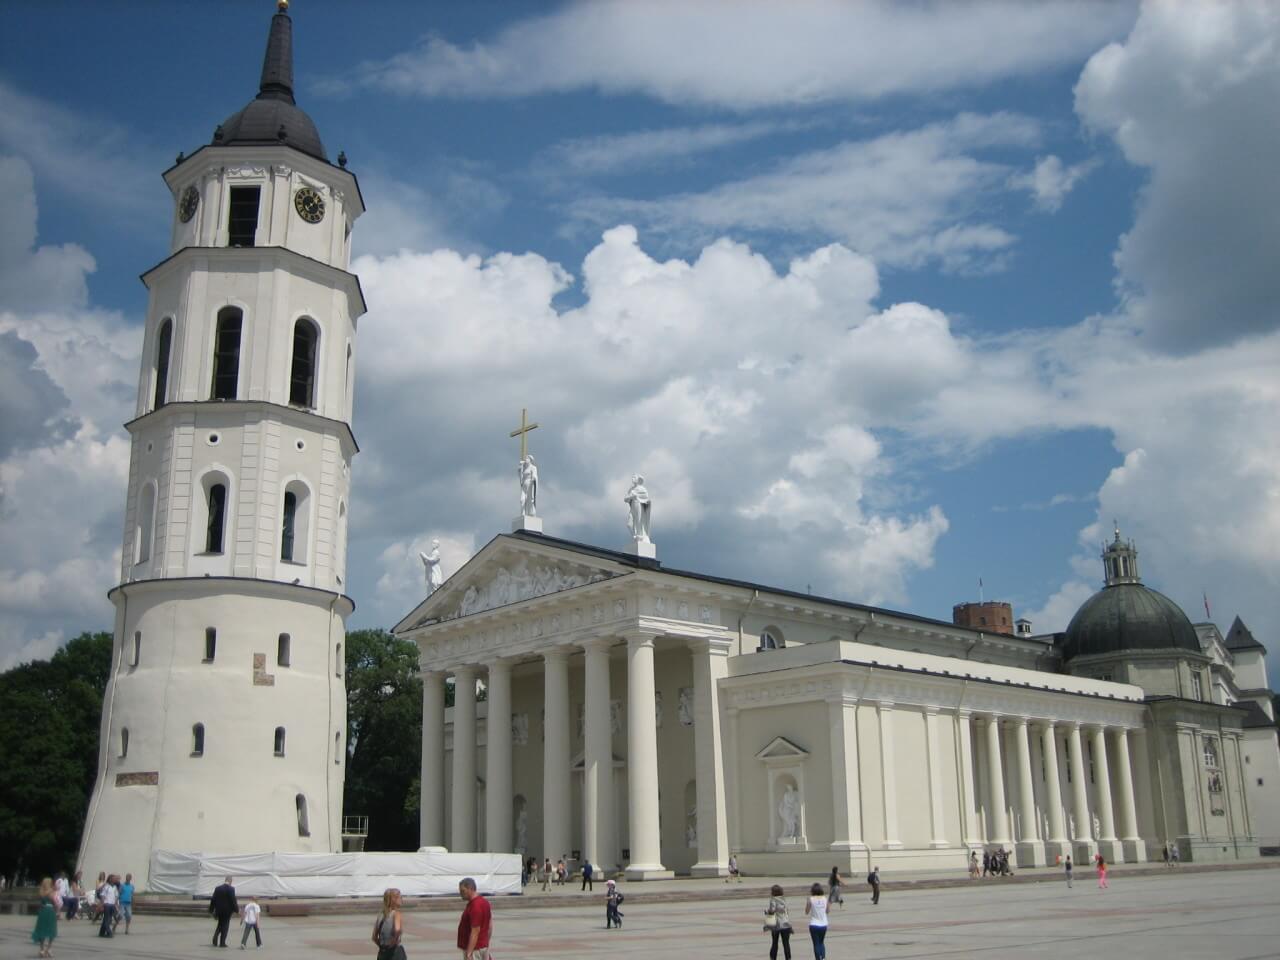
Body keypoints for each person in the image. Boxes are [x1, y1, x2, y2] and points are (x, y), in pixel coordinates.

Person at [457, 876, 492, 960]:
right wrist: (486, 943)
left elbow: (475, 931)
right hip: (482, 946)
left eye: (463, 891)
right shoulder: (484, 902)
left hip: (475, 949)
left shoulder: (475, 906)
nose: (461, 894)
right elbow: (490, 925)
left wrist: (469, 953)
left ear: (470, 889)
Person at [371, 887, 403, 960]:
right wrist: (393, 943)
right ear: (393, 900)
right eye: (399, 897)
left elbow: (374, 937)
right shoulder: (396, 914)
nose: (401, 899)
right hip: (394, 952)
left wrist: (383, 947)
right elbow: (397, 930)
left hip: (382, 953)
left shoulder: (381, 915)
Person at [32, 877, 58, 958]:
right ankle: (49, 948)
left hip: (43, 911)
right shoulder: (51, 892)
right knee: (52, 930)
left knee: (42, 930)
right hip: (50, 911)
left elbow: (41, 902)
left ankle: (42, 949)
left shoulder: (41, 891)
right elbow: (55, 902)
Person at [764, 884, 792, 960]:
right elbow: (786, 911)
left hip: (776, 925)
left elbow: (772, 910)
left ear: (773, 892)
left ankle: (773, 958)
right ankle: (788, 958)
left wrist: (767, 911)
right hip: (786, 924)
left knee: (775, 943)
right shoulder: (784, 899)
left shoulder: (773, 899)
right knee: (786, 943)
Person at [210, 875, 238, 948]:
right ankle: (222, 943)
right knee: (225, 926)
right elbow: (233, 901)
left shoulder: (218, 888)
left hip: (219, 910)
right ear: (230, 881)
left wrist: (211, 909)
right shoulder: (231, 889)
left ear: (225, 880)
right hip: (227, 911)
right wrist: (236, 910)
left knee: (220, 924)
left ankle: (215, 939)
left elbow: (213, 899)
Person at [804, 882, 829, 960]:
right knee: (821, 942)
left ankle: (818, 958)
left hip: (814, 924)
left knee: (816, 944)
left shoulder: (811, 899)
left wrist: (807, 902)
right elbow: (827, 911)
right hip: (824, 924)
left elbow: (806, 912)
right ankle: (823, 957)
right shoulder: (825, 898)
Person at [98, 873, 119, 937]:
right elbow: (103, 896)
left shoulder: (115, 887)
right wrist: (101, 905)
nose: (115, 879)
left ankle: (101, 933)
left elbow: (116, 897)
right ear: (110, 879)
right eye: (114, 878)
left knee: (106, 920)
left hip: (112, 905)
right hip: (107, 905)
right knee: (108, 920)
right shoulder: (106, 886)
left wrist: (116, 905)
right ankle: (109, 933)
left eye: (116, 879)